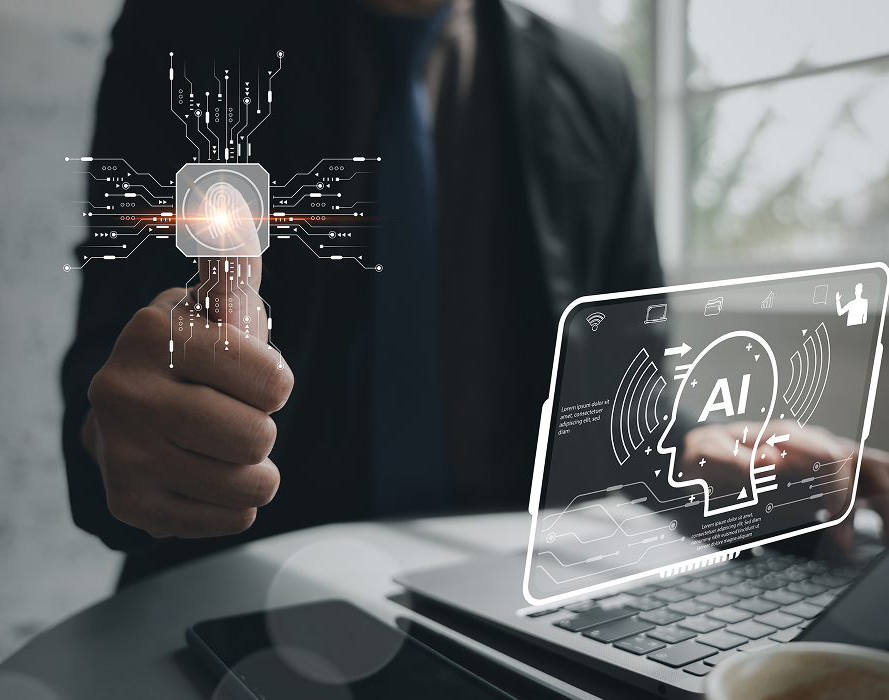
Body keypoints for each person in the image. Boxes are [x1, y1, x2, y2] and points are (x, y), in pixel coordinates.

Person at [61, 0, 660, 587]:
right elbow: (117, 367)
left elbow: (632, 371)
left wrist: (682, 445)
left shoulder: (595, 84)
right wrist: (122, 437)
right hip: (245, 582)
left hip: (522, 578)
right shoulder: (184, 36)